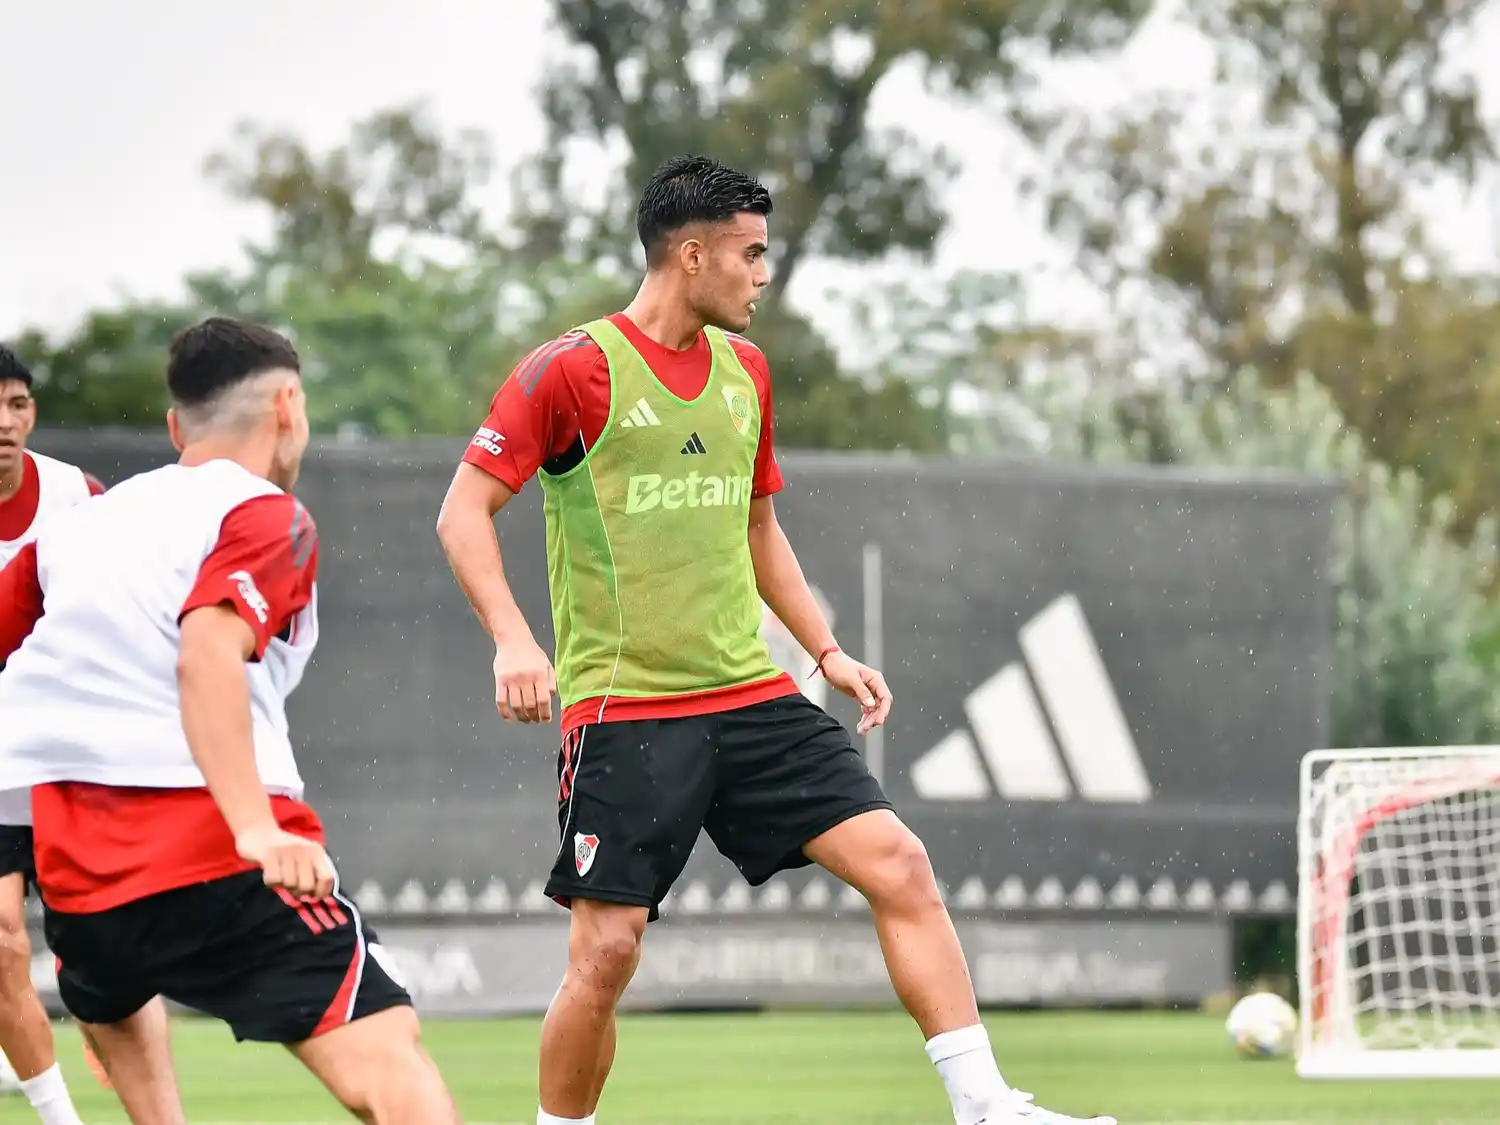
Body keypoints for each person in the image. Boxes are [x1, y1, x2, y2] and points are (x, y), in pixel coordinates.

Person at [436, 154, 1117, 1125]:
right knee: (608, 951)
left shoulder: (746, 373)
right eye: (751, 254)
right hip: (626, 710)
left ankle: (986, 1108)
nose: (763, 275)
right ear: (691, 252)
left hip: (751, 698)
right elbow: (463, 514)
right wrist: (512, 639)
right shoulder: (573, 371)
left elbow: (757, 528)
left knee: (900, 865)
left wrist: (826, 652)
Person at [0, 318, 462, 1125]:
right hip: (220, 851)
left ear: (177, 427)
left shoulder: (76, 528)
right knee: (391, 1059)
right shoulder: (266, 514)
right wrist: (254, 828)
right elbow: (207, 649)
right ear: (289, 406)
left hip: (81, 884)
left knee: (112, 990)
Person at [0, 343, 111, 1124]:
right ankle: (57, 1116)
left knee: (105, 955)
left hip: (72, 754)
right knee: (3, 939)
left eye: (17, 405)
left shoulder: (78, 497)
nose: (5, 423)